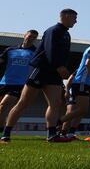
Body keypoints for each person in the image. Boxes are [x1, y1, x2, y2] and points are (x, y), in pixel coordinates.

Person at [2, 9, 77, 143]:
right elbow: (49, 50)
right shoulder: (53, 30)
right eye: (74, 18)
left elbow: (63, 54)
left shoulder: (66, 34)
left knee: (56, 103)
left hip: (54, 73)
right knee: (23, 102)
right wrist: (59, 66)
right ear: (66, 16)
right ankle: (6, 134)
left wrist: (62, 67)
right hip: (41, 70)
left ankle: (52, 135)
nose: (76, 21)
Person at [0, 29, 38, 126]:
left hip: (19, 84)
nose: (31, 39)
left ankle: (4, 130)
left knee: (4, 105)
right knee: (2, 108)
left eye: (34, 38)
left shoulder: (35, 52)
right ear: (25, 36)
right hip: (4, 82)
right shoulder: (10, 50)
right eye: (30, 36)